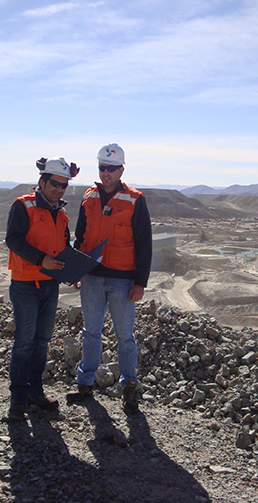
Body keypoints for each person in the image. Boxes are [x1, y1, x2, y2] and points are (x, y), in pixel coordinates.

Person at [67, 143, 152, 413]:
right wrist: (76, 270)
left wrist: (140, 282)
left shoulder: (135, 199)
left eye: (112, 169)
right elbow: (80, 237)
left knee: (125, 336)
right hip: (91, 277)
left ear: (121, 170)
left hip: (122, 280)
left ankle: (129, 388)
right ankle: (85, 385)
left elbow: (144, 243)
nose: (106, 173)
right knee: (90, 332)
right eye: (103, 167)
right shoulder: (89, 197)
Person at [5, 157, 80, 422]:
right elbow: (13, 240)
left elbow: (63, 248)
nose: (60, 189)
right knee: (24, 343)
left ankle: (35, 392)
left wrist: (74, 271)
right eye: (56, 184)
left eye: (64, 185)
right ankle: (17, 401)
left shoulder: (61, 213)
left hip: (50, 285)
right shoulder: (23, 206)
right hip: (26, 285)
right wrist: (41, 259)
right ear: (42, 182)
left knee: (41, 342)